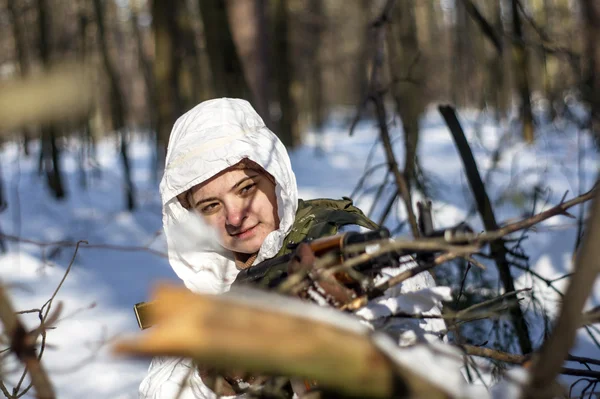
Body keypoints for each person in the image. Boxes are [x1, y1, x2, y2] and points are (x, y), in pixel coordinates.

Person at [139, 98, 445, 399]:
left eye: (246, 188)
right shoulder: (201, 294)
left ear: (275, 178)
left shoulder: (342, 245)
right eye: (211, 206)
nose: (235, 217)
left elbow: (428, 362)